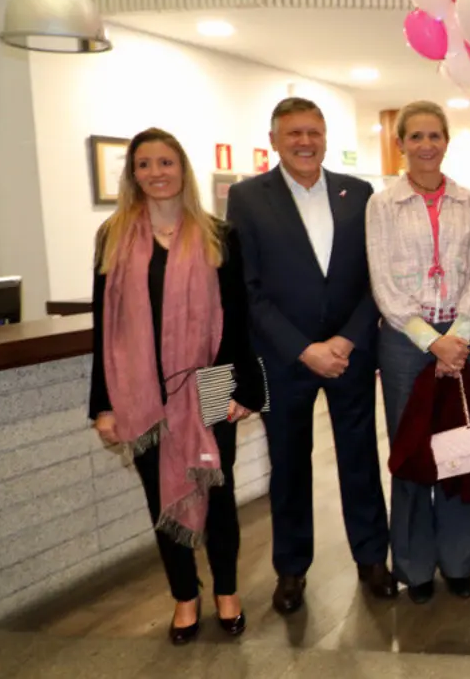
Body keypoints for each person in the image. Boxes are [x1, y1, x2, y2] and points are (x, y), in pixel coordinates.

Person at [89, 128, 266, 644]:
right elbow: (106, 324)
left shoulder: (218, 234)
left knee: (219, 491)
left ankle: (227, 592)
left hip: (210, 382)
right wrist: (102, 404)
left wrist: (248, 391)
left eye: (165, 163)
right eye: (144, 165)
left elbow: (239, 318)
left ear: (181, 169)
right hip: (140, 389)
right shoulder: (113, 236)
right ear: (133, 174)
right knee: (160, 496)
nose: (156, 173)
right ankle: (184, 597)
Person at [226, 98, 396, 613]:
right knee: (289, 467)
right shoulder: (248, 198)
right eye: (294, 133)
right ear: (274, 139)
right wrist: (303, 349)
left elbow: (376, 277)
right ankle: (291, 571)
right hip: (284, 359)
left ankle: (372, 559)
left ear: (325, 137)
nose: (305, 142)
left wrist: (345, 340)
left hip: (350, 354)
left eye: (314, 132)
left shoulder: (359, 193)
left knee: (360, 460)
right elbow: (247, 289)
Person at [367, 100, 470, 604]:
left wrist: (458, 337)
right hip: (405, 342)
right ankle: (416, 567)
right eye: (415, 137)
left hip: (464, 338)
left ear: (447, 141)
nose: (425, 145)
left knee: (459, 450)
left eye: (434, 136)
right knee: (412, 453)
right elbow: (382, 283)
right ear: (400, 144)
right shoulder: (383, 204)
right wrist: (432, 341)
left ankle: (460, 559)